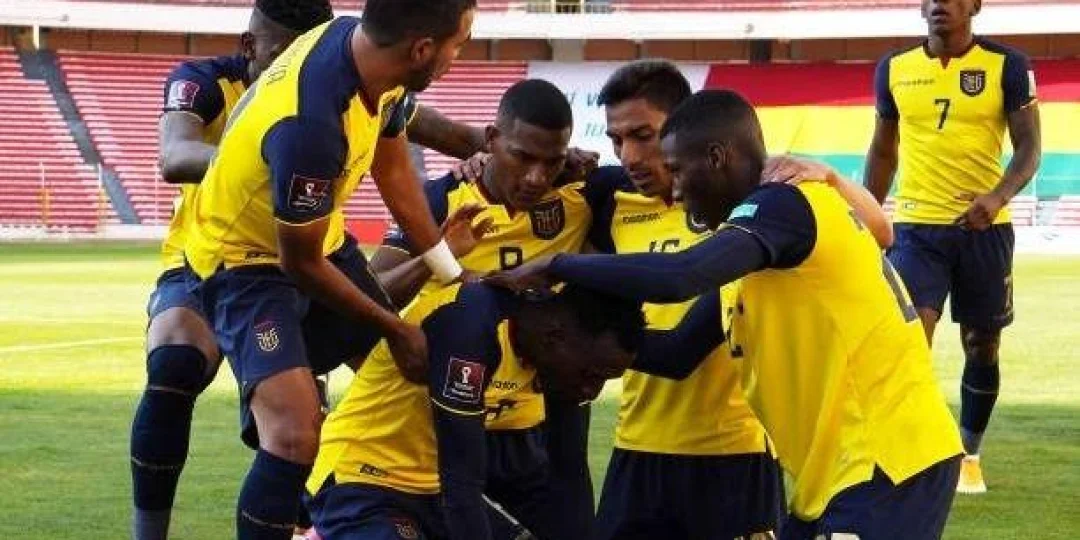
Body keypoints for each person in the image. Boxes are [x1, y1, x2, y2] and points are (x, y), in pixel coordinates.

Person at [491, 89, 965, 540]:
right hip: (835, 478)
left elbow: (681, 274)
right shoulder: (752, 255)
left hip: (887, 460)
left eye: (678, 172)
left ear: (717, 158)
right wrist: (558, 341)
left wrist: (559, 266)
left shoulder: (783, 203)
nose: (676, 191)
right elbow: (675, 353)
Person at [182, 2, 477, 537]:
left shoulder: (367, 54)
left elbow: (393, 170)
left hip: (322, 243)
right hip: (244, 261)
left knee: (402, 381)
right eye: (459, 44)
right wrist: (395, 328)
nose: (457, 57)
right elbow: (299, 263)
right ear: (422, 49)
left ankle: (352, 510)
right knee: (293, 432)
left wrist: (450, 271)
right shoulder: (310, 123)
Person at [369, 77, 611, 539]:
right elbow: (373, 291)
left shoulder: (582, 198)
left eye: (552, 161)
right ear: (492, 140)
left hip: (539, 427)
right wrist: (440, 256)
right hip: (450, 424)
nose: (536, 177)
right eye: (523, 157)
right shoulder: (443, 199)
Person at [132, 3, 333, 539]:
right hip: (204, 259)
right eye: (280, 54)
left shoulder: (336, 86)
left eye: (305, 56)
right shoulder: (207, 82)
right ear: (249, 46)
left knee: (301, 420)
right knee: (175, 362)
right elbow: (175, 155)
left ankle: (310, 521)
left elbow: (421, 124)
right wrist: (267, 157)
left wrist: (485, 149)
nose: (290, 68)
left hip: (298, 263)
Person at [587, 60, 783, 540]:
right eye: (616, 140)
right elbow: (523, 164)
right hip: (637, 451)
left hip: (734, 455)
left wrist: (833, 178)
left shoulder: (748, 204)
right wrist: (476, 159)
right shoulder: (611, 200)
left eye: (643, 136)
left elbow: (880, 230)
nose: (629, 156)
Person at [863, 0, 1041, 494]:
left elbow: (1030, 148)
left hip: (985, 229)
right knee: (908, 340)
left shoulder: (1007, 66)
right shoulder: (894, 68)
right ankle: (912, 451)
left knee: (982, 344)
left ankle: (969, 454)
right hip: (917, 230)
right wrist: (867, 215)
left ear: (975, 6)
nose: (941, 3)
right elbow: (883, 150)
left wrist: (997, 197)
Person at [306, 282, 646, 540]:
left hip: (431, 490)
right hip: (360, 478)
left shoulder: (549, 350)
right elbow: (462, 482)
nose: (591, 391)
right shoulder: (471, 325)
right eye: (591, 375)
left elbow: (566, 475)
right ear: (555, 337)